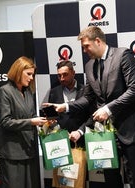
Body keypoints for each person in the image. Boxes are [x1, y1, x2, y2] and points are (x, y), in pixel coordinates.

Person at [44, 26, 135, 188]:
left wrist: (108, 109)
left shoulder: (123, 55)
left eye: (86, 46)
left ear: (98, 41)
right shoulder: (89, 66)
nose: (85, 50)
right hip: (104, 135)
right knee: (111, 180)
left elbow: (134, 89)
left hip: (130, 129)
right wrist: (64, 106)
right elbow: (88, 98)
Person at [0, 56, 48, 188]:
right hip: (13, 153)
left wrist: (43, 121)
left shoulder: (28, 92)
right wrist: (31, 122)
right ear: (19, 71)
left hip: (29, 150)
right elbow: (5, 122)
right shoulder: (5, 91)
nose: (31, 78)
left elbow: (31, 115)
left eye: (33, 75)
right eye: (29, 74)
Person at [42, 60, 91, 188]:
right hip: (59, 145)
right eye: (59, 75)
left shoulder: (86, 91)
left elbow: (92, 116)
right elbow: (48, 117)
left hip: (80, 143)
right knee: (61, 181)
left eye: (65, 74)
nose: (62, 78)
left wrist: (80, 132)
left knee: (78, 181)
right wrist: (55, 127)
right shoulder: (53, 92)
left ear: (73, 73)